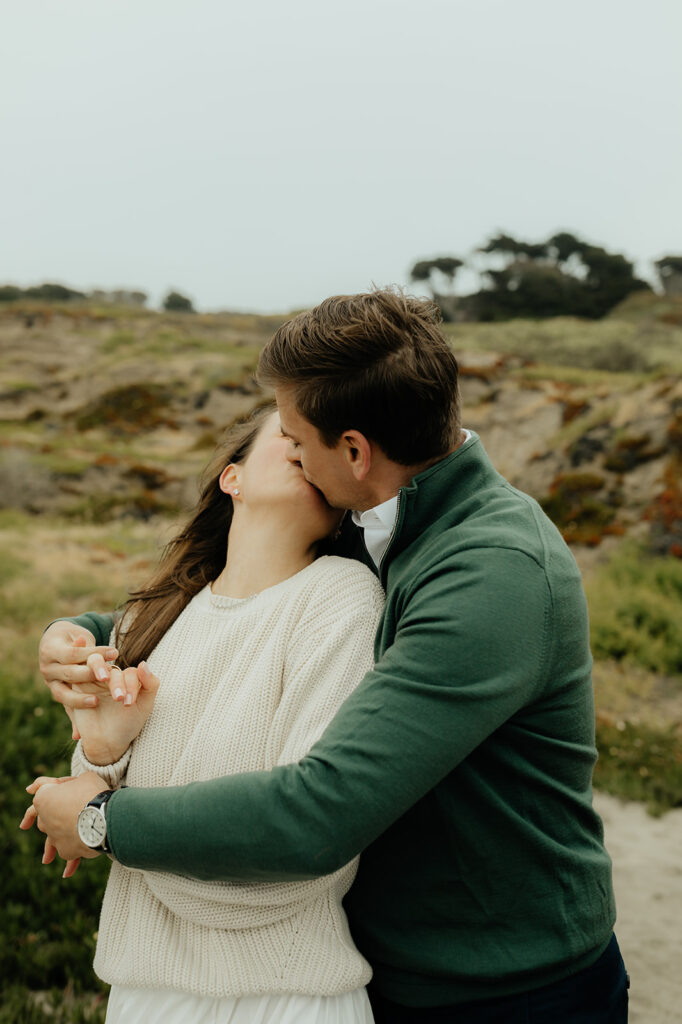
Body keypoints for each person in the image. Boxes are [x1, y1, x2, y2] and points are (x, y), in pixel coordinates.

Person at [29, 289, 628, 1023]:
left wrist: (103, 819)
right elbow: (232, 603)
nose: (293, 456)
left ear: (353, 451)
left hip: (507, 986)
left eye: (295, 437)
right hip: (382, 963)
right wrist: (81, 632)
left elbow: (318, 812)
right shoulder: (370, 520)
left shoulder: (494, 571)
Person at [23, 404, 385, 1024]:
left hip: (285, 996)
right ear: (231, 477)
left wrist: (104, 824)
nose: (306, 445)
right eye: (288, 434)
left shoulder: (342, 600)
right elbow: (110, 792)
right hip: (141, 993)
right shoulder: (154, 620)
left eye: (317, 440)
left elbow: (304, 855)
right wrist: (104, 755)